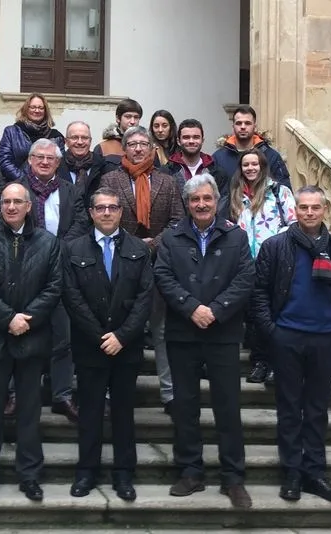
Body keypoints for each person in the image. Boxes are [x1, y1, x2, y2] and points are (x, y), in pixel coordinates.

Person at [153, 174, 255, 509]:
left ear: (216, 200)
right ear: (187, 202)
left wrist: (216, 309)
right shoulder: (171, 237)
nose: (201, 205)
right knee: (185, 407)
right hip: (183, 333)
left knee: (228, 408)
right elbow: (163, 276)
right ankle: (190, 471)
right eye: (195, 199)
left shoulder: (236, 237)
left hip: (223, 333)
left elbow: (245, 279)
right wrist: (191, 307)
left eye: (207, 199)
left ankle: (233, 478)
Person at [252, 185, 331, 503]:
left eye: (315, 207)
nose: (309, 213)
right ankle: (292, 474)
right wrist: (272, 332)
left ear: (325, 209)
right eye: (303, 207)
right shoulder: (275, 246)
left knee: (316, 410)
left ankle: (315, 473)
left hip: (326, 339)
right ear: (294, 210)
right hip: (287, 337)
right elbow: (259, 293)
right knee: (288, 409)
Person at [0, 182, 63, 502]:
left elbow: (53, 288)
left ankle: (30, 475)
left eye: (16, 202)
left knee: (29, 413)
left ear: (28, 206)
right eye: (5, 202)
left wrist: (27, 319)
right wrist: (8, 318)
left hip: (32, 340)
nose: (10, 207)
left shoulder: (48, 243)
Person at [62, 187, 153, 503]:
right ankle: (87, 471)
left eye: (112, 207)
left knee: (124, 413)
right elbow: (72, 298)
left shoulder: (139, 249)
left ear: (121, 211)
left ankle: (124, 474)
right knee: (89, 412)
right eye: (99, 208)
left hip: (126, 348)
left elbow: (145, 299)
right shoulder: (72, 250)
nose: (106, 213)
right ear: (91, 212)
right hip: (91, 347)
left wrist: (122, 336)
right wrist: (101, 336)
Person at [100, 125, 184, 413]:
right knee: (120, 328)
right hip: (121, 263)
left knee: (160, 331)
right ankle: (114, 392)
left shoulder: (168, 181)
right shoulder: (110, 179)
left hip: (159, 263)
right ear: (124, 149)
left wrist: (152, 245)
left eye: (142, 144)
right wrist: (135, 245)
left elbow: (176, 221)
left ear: (152, 148)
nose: (137, 148)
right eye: (132, 144)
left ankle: (170, 395)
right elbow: (105, 218)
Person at [12, 138, 86, 422]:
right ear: (30, 160)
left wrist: (55, 252)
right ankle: (15, 393)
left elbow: (80, 225)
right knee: (18, 335)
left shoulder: (70, 191)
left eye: (50, 158)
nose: (44, 162)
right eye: (39, 157)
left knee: (62, 338)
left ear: (58, 163)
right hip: (21, 273)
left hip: (61, 270)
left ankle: (62, 395)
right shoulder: (16, 191)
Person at [221, 150, 297, 385]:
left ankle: (276, 363)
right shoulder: (235, 195)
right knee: (254, 317)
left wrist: (276, 243)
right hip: (245, 264)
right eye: (246, 164)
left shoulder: (279, 191)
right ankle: (259, 362)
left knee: (275, 314)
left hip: (274, 262)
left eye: (255, 164)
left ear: (263, 166)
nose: (250, 168)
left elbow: (294, 224)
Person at [212, 105, 291, 190]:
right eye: (238, 123)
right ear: (233, 127)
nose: (243, 127)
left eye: (247, 123)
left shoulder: (271, 156)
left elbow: (285, 193)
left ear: (254, 126)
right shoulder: (218, 158)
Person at [0, 93, 65, 182]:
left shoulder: (56, 137)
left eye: (41, 108)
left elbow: (59, 164)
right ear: (26, 109)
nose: (37, 110)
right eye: (33, 107)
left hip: (47, 186)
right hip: (17, 185)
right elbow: (4, 161)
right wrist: (25, 181)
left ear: (45, 111)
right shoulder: (11, 132)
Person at [163, 118, 230, 191]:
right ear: (178, 141)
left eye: (196, 137)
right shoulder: (166, 172)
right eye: (186, 137)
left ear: (202, 141)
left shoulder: (217, 172)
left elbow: (223, 200)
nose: (191, 141)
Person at [55, 121, 103, 204]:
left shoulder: (103, 165)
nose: (80, 142)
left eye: (84, 138)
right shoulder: (56, 166)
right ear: (66, 141)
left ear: (90, 141)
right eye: (74, 137)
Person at [93, 98, 142, 169]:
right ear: (118, 118)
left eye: (136, 117)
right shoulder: (103, 148)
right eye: (128, 117)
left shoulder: (146, 147)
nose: (132, 121)